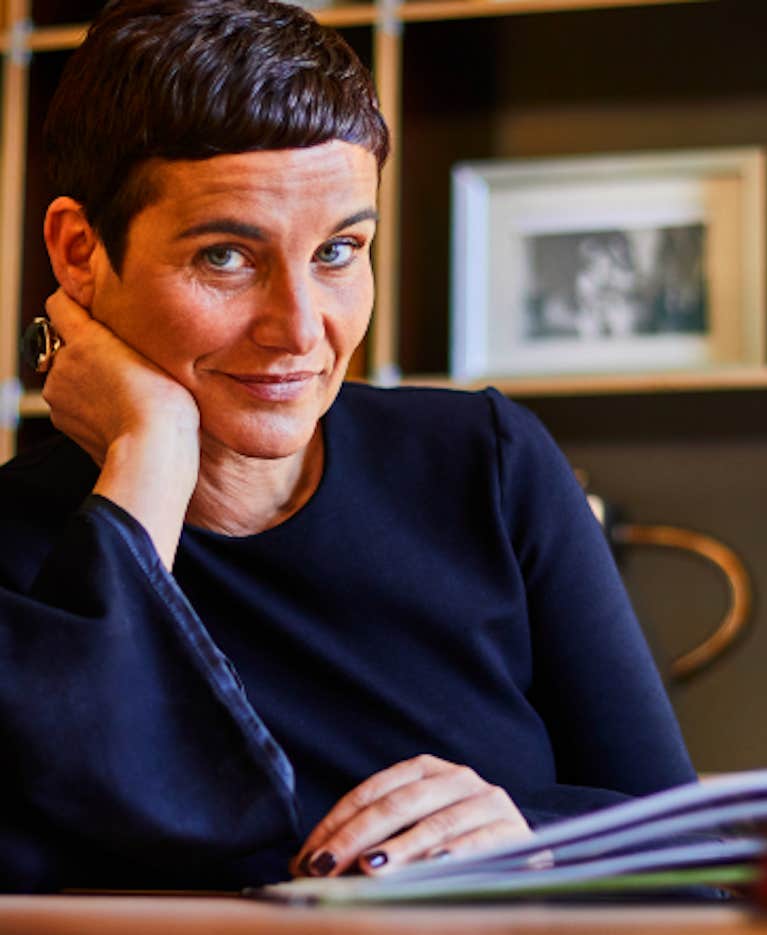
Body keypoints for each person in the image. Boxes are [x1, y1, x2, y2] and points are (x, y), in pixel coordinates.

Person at [0, 0, 696, 894]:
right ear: (79, 250)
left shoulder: (485, 463)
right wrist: (153, 454)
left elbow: (694, 851)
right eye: (225, 257)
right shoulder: (18, 549)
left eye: (339, 250)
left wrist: (536, 834)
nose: (299, 329)